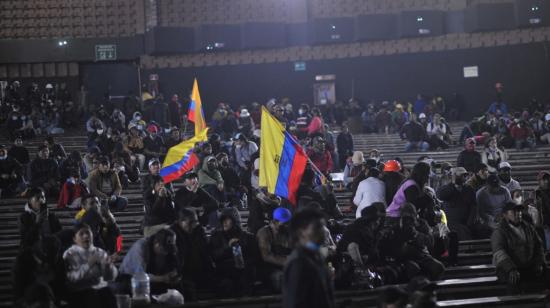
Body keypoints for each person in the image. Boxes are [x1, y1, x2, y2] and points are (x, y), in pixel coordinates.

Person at [492, 202, 550, 294]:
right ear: (505, 215)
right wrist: (510, 268)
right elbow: (499, 252)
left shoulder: (529, 228)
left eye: (519, 210)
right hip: (510, 269)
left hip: (529, 266)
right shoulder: (499, 231)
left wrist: (539, 262)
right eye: (514, 211)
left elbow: (539, 246)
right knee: (514, 281)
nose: (518, 213)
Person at [283, 208, 335, 308]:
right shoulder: (299, 262)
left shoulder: (315, 257)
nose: (323, 233)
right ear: (301, 231)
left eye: (323, 227)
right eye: (317, 227)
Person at [63, 223, 118, 308]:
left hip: (101, 291)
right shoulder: (70, 254)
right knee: (92, 296)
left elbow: (110, 277)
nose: (85, 236)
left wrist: (107, 267)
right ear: (74, 239)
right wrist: (89, 264)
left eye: (88, 233)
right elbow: (71, 278)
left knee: (108, 293)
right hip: (80, 293)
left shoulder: (99, 252)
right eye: (81, 234)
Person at [209, 208, 258, 297]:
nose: (225, 222)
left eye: (227, 219)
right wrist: (228, 248)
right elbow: (214, 256)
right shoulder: (216, 236)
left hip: (243, 271)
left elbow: (254, 257)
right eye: (223, 220)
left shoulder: (247, 237)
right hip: (225, 272)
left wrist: (242, 252)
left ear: (235, 220)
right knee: (226, 284)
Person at [119, 228, 182, 295]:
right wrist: (163, 278)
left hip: (153, 280)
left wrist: (174, 276)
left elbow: (175, 267)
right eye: (164, 249)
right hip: (129, 280)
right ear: (156, 243)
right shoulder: (141, 247)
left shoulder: (169, 252)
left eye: (168, 250)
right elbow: (140, 276)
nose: (166, 253)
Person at [169, 208, 214, 301]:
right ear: (180, 222)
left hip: (201, 270)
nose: (194, 225)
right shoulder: (172, 233)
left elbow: (206, 252)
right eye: (190, 222)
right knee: (188, 289)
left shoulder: (199, 230)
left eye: (195, 222)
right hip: (183, 273)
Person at [13, 235, 65, 308]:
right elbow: (18, 292)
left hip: (50, 298)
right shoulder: (23, 260)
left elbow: (60, 285)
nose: (46, 266)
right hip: (30, 299)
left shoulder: (57, 260)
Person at [257, 207, 292, 292]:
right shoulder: (264, 232)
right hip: (269, 268)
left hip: (285, 265)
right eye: (286, 223)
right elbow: (266, 256)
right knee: (281, 278)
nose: (288, 225)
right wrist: (287, 261)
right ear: (277, 221)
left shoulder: (286, 232)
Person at [437, 167, 476, 240]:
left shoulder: (469, 189)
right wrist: (453, 184)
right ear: (455, 176)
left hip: (466, 222)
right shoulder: (447, 188)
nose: (464, 177)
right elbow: (440, 196)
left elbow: (474, 206)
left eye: (465, 175)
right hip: (451, 223)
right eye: (461, 175)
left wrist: (470, 222)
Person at [535, 171, 550, 249]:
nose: (547, 181)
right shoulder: (536, 193)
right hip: (544, 223)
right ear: (539, 181)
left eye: (548, 179)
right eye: (544, 180)